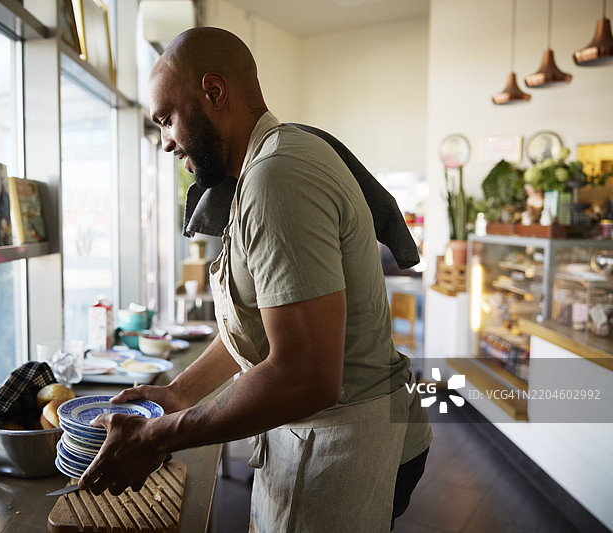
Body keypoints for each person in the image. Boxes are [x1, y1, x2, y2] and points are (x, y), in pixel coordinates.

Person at [77, 26, 432, 532]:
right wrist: (178, 394)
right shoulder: (258, 171)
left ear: (214, 92)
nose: (166, 141)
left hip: (346, 446)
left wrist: (159, 437)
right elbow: (259, 330)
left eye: (167, 119)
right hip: (328, 436)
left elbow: (305, 375)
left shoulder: (277, 178)